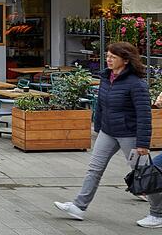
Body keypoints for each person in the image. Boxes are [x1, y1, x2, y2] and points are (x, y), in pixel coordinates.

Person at [54, 42, 162, 228]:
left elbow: (144, 115)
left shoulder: (137, 84)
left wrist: (143, 143)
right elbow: (102, 105)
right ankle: (79, 207)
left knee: (144, 175)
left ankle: (157, 214)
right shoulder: (106, 78)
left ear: (126, 60)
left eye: (113, 56)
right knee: (94, 169)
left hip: (130, 135)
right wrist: (98, 126)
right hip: (108, 132)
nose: (108, 59)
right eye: (108, 55)